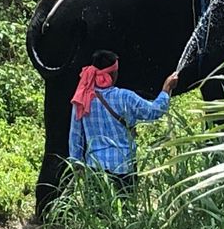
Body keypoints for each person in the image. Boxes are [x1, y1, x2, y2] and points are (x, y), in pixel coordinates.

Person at [67, 49, 180, 191]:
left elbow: (75, 136)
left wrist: (77, 164)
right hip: (124, 167)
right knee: (127, 203)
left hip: (95, 168)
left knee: (98, 205)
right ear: (113, 74)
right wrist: (166, 88)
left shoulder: (82, 99)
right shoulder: (124, 97)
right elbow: (154, 111)